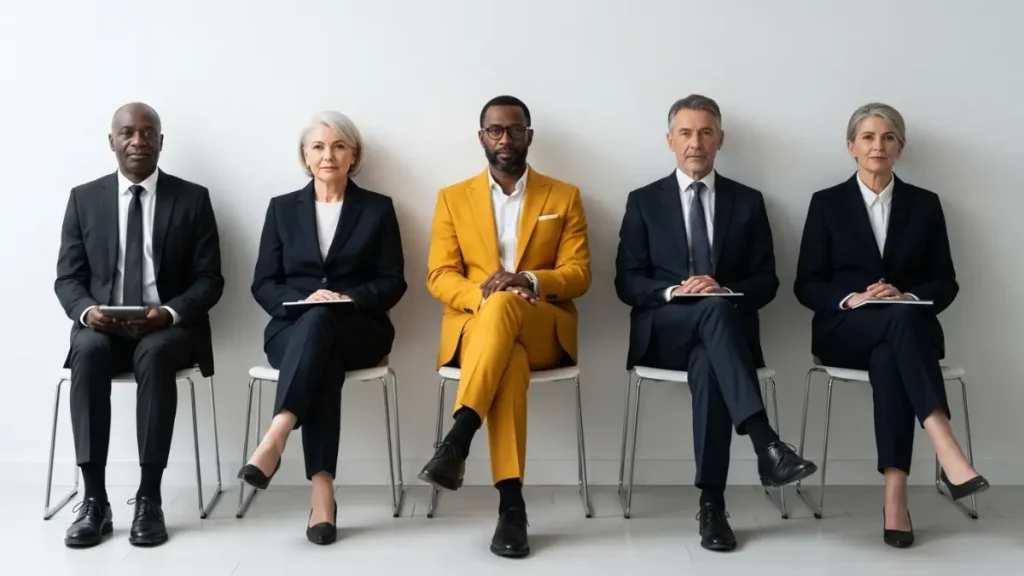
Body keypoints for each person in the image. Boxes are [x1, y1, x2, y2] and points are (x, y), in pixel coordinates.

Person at [614, 94, 817, 552]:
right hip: (664, 333)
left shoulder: (748, 202)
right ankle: (766, 442)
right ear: (670, 140)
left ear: (720, 139)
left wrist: (719, 288)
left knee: (709, 357)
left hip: (723, 341)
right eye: (686, 133)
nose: (696, 143)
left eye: (706, 132)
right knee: (712, 311)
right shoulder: (643, 201)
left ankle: (712, 505)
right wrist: (676, 291)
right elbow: (627, 282)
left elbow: (767, 281)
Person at [794, 102, 988, 548]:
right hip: (845, 331)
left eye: (888, 138)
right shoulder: (826, 203)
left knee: (890, 358)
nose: (878, 146)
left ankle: (895, 499)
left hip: (906, 335)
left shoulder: (925, 204)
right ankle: (947, 448)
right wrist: (855, 299)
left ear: (901, 147)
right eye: (868, 137)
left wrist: (905, 297)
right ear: (851, 147)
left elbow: (946, 282)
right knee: (896, 331)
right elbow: (807, 284)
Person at [417, 95, 590, 558]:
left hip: (543, 326)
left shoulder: (564, 196)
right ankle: (511, 507)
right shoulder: (452, 198)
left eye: (514, 130)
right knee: (506, 356)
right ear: (482, 138)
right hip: (478, 329)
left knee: (508, 309)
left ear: (529, 136)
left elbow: (578, 274)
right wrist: (488, 296)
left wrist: (527, 280)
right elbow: (440, 275)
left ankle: (459, 436)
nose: (505, 139)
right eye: (495, 130)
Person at [54, 103, 224, 548]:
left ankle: (149, 498)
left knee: (156, 351)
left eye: (148, 133)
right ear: (111, 141)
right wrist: (87, 311)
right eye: (127, 132)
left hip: (166, 327)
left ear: (161, 142)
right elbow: (67, 278)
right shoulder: (84, 198)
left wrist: (169, 312)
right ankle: (94, 500)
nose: (138, 141)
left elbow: (210, 279)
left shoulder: (192, 198)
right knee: (87, 350)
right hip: (102, 327)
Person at [238, 111, 406, 545]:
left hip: (360, 331)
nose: (328, 155)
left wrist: (346, 299)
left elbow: (393, 281)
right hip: (292, 331)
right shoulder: (281, 209)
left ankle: (277, 434)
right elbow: (263, 283)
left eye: (338, 146)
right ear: (305, 156)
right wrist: (307, 301)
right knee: (320, 347)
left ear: (354, 155)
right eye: (318, 147)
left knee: (324, 330)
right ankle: (322, 492)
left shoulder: (378, 208)